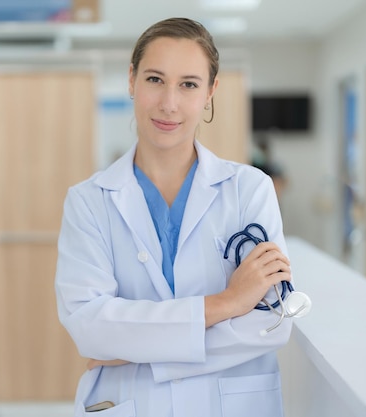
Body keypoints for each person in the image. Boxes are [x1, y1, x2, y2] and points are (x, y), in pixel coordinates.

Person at [55, 17, 293, 416]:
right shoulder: (88, 202)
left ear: (210, 92)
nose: (169, 103)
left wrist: (133, 350)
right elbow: (89, 328)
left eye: (188, 84)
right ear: (131, 80)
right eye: (154, 79)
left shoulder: (250, 190)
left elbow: (273, 322)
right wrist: (228, 302)